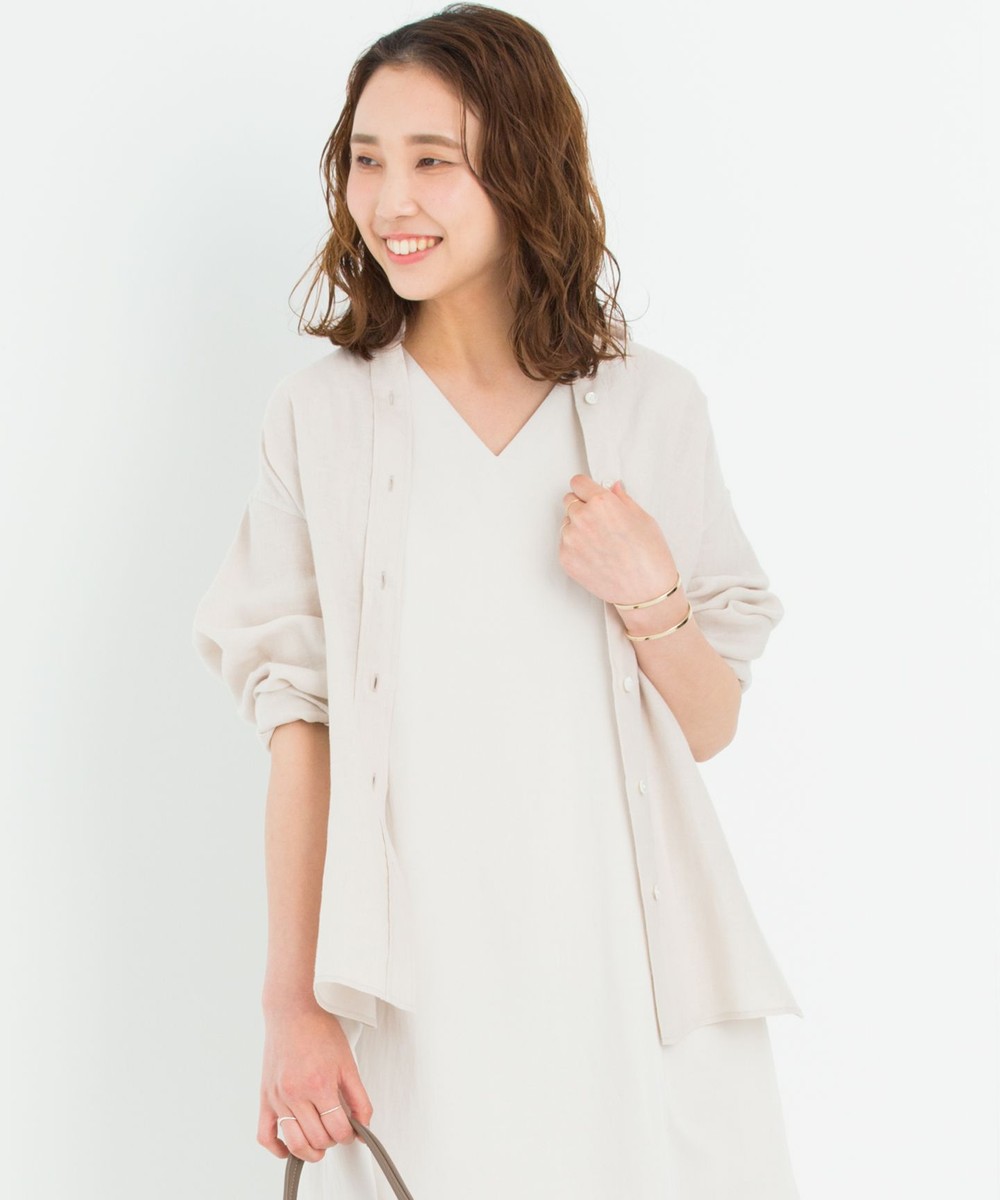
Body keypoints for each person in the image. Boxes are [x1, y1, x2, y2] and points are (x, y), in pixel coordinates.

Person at [192, 4, 804, 1197]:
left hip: (628, 979)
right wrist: (291, 1005)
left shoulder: (649, 407)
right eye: (367, 159)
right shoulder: (319, 418)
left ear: (523, 167)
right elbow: (297, 724)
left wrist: (651, 592)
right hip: (420, 988)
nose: (390, 200)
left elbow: (710, 722)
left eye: (434, 160)